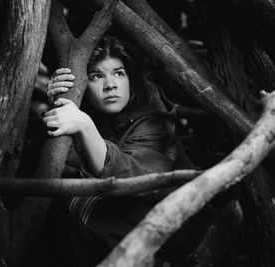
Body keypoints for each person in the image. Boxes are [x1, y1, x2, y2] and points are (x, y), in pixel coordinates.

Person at [43, 35, 217, 266]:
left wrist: (85, 125)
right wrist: (59, 100)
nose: (110, 85)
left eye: (118, 73)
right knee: (60, 212)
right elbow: (57, 166)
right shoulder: (86, 108)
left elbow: (137, 180)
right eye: (97, 76)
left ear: (130, 78)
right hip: (126, 216)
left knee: (88, 213)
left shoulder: (153, 114)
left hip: (182, 220)